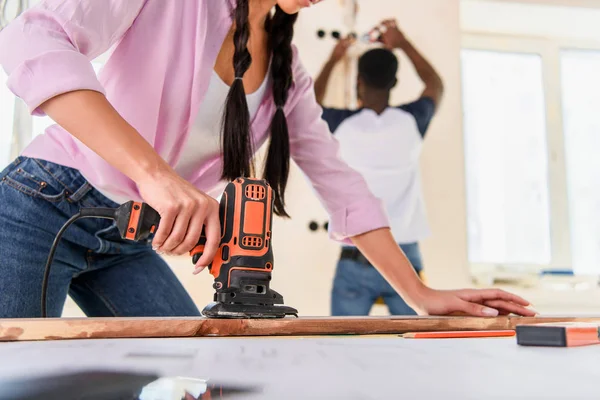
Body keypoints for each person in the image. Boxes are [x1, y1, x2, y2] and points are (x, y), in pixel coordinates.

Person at [0, 0, 534, 319]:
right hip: (41, 205)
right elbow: (29, 40)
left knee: (192, 376)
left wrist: (418, 292)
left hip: (127, 238)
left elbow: (340, 183)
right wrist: (155, 177)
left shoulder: (287, 68)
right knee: (20, 374)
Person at [314, 20, 444, 316]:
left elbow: (310, 103)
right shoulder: (412, 121)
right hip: (406, 256)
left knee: (345, 350)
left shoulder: (340, 125)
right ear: (395, 82)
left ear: (357, 81)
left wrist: (335, 59)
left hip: (356, 252)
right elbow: (435, 85)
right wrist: (403, 42)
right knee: (414, 350)